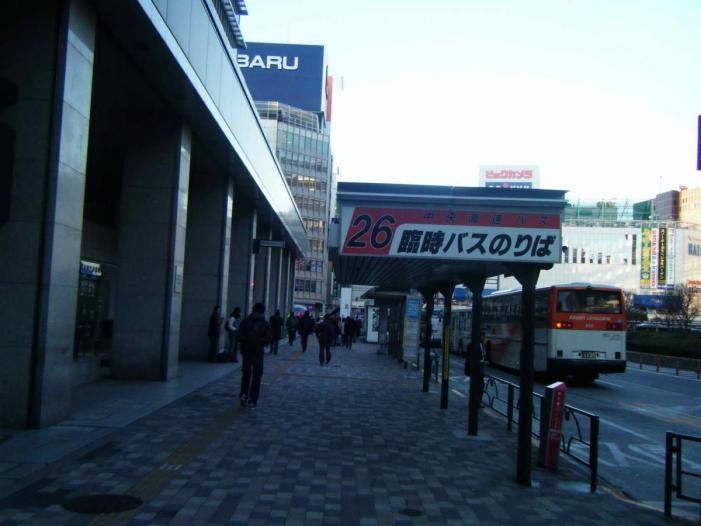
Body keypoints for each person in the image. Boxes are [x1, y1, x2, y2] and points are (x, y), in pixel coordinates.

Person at [238, 303, 272, 409]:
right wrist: (259, 341)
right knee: (257, 376)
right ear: (263, 311)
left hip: (246, 351)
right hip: (257, 352)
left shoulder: (245, 322)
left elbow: (239, 336)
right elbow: (268, 339)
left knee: (246, 374)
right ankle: (253, 400)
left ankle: (244, 393)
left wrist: (247, 341)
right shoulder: (265, 324)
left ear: (253, 310)